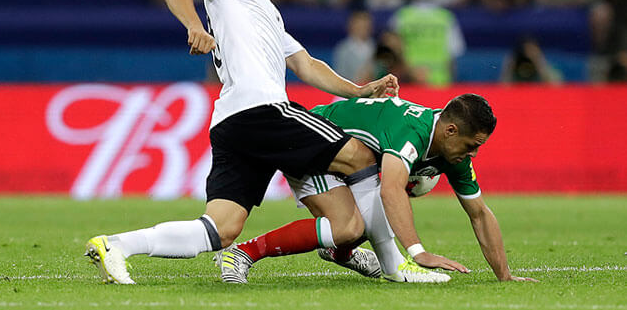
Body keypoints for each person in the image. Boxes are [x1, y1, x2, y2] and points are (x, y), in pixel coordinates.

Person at [84, 0, 399, 285]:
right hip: (263, 111)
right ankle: (397, 263)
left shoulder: (261, 9)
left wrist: (359, 89)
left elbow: (306, 64)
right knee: (361, 156)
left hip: (232, 123)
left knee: (221, 228)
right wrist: (194, 27)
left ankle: (116, 244)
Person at [224, 94, 537, 283]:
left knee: (375, 199)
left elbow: (479, 213)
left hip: (350, 160)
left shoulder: (453, 153)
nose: (473, 155)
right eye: (471, 146)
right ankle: (242, 253)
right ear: (450, 130)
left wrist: (504, 275)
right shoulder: (412, 130)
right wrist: (418, 253)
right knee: (351, 221)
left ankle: (341, 251)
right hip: (312, 143)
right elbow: (390, 191)